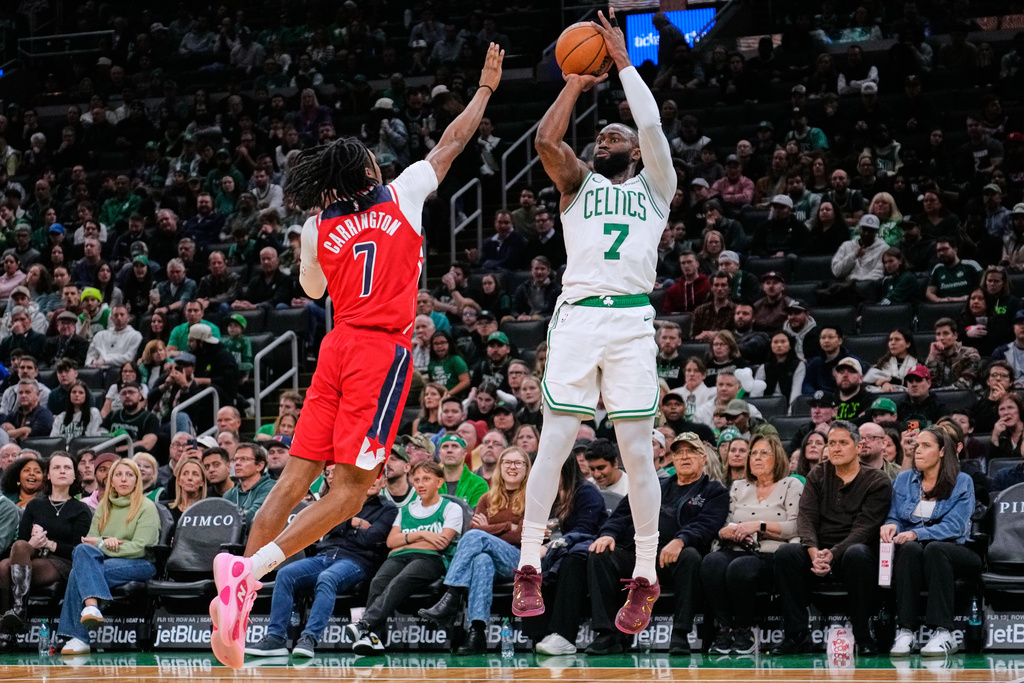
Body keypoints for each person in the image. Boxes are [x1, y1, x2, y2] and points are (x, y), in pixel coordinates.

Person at [209, 44, 505, 670]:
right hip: (380, 352)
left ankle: (237, 597)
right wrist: (483, 91)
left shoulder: (318, 226)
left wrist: (320, 235)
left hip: (334, 347)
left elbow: (312, 290)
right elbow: (451, 143)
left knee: (293, 480)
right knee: (352, 488)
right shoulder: (402, 194)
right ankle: (252, 570)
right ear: (369, 171)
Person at [515, 9, 672, 634]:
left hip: (632, 323)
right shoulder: (577, 184)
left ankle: (644, 575)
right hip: (578, 318)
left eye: (616, 135)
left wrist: (625, 64)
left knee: (637, 452)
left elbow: (653, 121)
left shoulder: (656, 188)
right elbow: (546, 144)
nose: (605, 137)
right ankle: (529, 563)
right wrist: (576, 80)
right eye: (599, 134)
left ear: (634, 151)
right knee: (554, 441)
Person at [587, 432, 728, 656]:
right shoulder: (655, 484)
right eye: (679, 452)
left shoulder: (714, 491)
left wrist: (681, 540)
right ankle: (607, 634)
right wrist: (608, 534)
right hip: (640, 556)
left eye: (691, 452)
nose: (684, 457)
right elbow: (622, 515)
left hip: (674, 560)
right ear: (672, 459)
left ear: (703, 458)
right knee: (601, 553)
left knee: (690, 556)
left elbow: (707, 524)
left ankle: (680, 634)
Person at [246, 472, 396, 659]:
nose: (373, 481)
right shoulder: (341, 502)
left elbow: (371, 538)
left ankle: (309, 639)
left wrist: (341, 524)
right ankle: (275, 638)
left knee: (327, 578)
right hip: (324, 555)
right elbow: (323, 527)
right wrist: (352, 522)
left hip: (357, 561)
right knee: (285, 574)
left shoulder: (388, 509)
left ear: (384, 482)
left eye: (377, 477)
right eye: (370, 476)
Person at [772, 421, 892, 654]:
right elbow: (805, 518)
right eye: (832, 443)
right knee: (786, 554)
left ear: (858, 447)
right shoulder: (818, 473)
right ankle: (798, 634)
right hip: (819, 550)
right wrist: (814, 552)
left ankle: (863, 635)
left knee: (857, 554)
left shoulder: (878, 481)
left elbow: (865, 529)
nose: (836, 448)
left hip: (855, 550)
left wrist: (833, 554)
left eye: (843, 443)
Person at [418, 447, 531, 653]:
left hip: (520, 558)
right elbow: (473, 532)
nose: (512, 467)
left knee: (477, 539)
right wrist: (506, 526)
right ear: (500, 467)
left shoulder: (532, 498)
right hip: (492, 559)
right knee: (481, 560)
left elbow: (521, 536)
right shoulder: (487, 498)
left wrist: (487, 529)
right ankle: (477, 632)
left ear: (526, 468)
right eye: (507, 462)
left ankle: (451, 594)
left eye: (518, 463)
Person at [346, 460, 461, 655]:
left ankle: (365, 624)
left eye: (426, 479)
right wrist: (423, 535)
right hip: (398, 556)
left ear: (439, 482)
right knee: (378, 582)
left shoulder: (451, 508)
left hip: (431, 559)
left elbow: (441, 543)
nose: (420, 484)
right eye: (416, 480)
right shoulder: (405, 510)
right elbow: (391, 542)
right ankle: (375, 638)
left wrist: (406, 540)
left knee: (402, 579)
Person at [702, 434, 803, 655]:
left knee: (740, 569)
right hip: (736, 547)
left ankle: (743, 630)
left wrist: (758, 525)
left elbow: (795, 527)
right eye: (753, 453)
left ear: (777, 457)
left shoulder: (790, 484)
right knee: (711, 562)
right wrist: (725, 531)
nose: (757, 458)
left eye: (764, 453)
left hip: (770, 553)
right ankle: (725, 628)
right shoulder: (739, 486)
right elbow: (724, 522)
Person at [884, 427, 979, 656]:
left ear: (942, 451)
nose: (918, 451)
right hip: (916, 551)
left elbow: (955, 526)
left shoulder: (961, 481)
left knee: (935, 548)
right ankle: (905, 630)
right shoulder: (905, 480)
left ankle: (943, 632)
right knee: (907, 549)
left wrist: (917, 533)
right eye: (917, 446)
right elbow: (895, 515)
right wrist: (891, 525)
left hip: (958, 551)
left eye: (926, 446)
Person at [57, 459, 159, 656]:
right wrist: (103, 542)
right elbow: (89, 542)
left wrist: (104, 544)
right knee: (81, 551)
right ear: (111, 481)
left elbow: (140, 547)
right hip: (107, 561)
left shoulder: (147, 507)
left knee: (78, 574)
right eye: (118, 475)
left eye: (129, 475)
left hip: (141, 563)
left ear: (137, 481)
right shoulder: (104, 506)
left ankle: (78, 637)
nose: (123, 479)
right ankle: (92, 608)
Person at [0, 452, 89, 639]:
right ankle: (16, 613)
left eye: (67, 468)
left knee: (3, 569)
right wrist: (34, 543)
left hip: (63, 561)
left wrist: (50, 544)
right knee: (14, 553)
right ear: (48, 475)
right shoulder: (35, 505)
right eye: (57, 467)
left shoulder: (81, 509)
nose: (62, 471)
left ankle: (7, 630)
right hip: (33, 556)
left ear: (74, 475)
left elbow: (78, 550)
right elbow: (21, 543)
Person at [754, 331, 805, 407]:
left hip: (788, 405)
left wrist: (791, 411)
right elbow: (756, 392)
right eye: (775, 342)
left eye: (783, 342)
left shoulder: (798, 365)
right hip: (767, 406)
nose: (779, 345)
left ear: (790, 345)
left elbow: (796, 390)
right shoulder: (764, 367)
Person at [166, 457, 206, 524]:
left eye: (195, 474)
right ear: (179, 481)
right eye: (185, 474)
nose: (189, 478)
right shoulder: (166, 511)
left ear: (202, 482)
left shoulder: (209, 511)